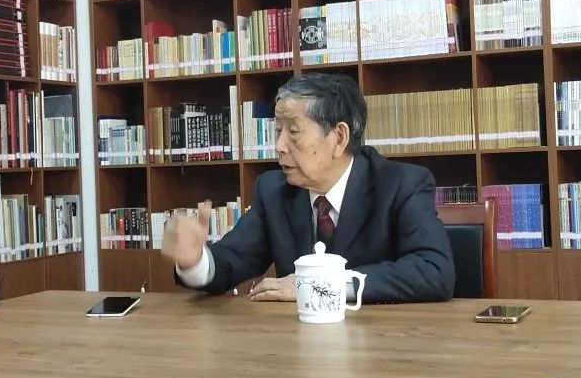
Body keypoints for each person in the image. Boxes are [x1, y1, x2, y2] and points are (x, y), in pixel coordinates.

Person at [161, 72, 456, 303]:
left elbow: (434, 271)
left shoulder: (401, 184)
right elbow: (233, 259)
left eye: (293, 132)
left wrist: (319, 285)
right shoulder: (273, 191)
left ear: (339, 138)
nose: (279, 146)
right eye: (278, 130)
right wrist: (195, 261)